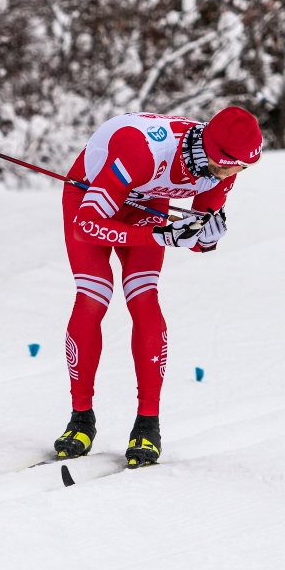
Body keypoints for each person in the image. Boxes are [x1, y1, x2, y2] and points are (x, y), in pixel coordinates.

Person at [57, 107, 262, 468]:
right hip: (90, 193)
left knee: (143, 297)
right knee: (94, 294)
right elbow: (85, 226)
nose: (236, 174)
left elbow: (196, 235)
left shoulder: (225, 169)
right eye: (232, 165)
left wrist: (206, 238)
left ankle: (148, 423)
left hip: (146, 200)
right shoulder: (145, 151)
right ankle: (81, 418)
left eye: (243, 168)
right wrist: (159, 235)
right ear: (215, 153)